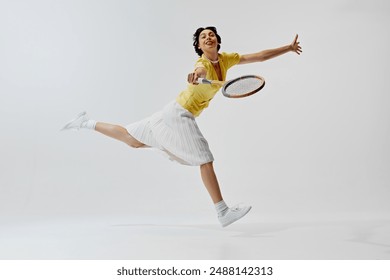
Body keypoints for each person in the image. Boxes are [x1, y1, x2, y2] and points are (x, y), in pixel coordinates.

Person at [62, 26, 302, 227]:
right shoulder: (202, 64)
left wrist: (288, 48)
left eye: (211, 34)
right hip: (180, 114)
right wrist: (195, 75)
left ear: (218, 41)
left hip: (171, 112)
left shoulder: (227, 59)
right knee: (205, 158)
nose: (208, 37)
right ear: (199, 46)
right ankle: (223, 212)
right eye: (203, 37)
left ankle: (84, 122)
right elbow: (197, 72)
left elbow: (258, 56)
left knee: (132, 139)